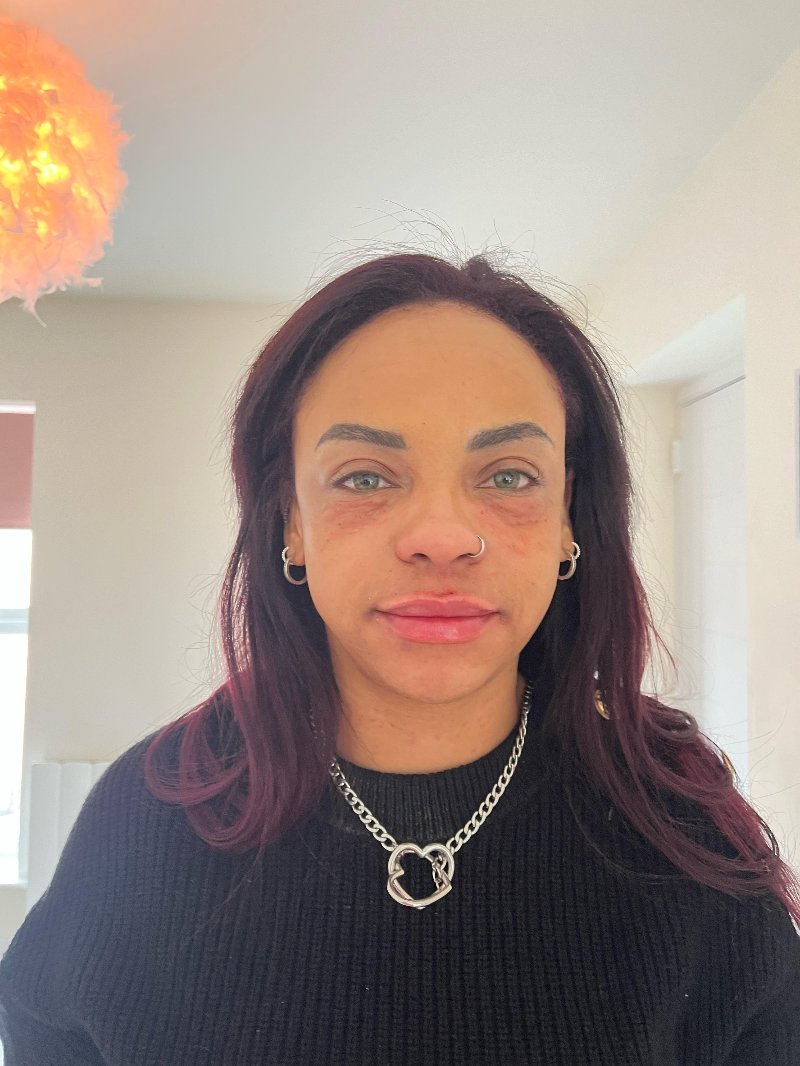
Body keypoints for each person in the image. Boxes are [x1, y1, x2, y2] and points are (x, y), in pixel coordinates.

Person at [1, 252, 798, 1065]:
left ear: (567, 518)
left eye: (509, 475)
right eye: (365, 478)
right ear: (291, 522)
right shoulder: (147, 820)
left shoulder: (684, 837)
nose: (442, 537)